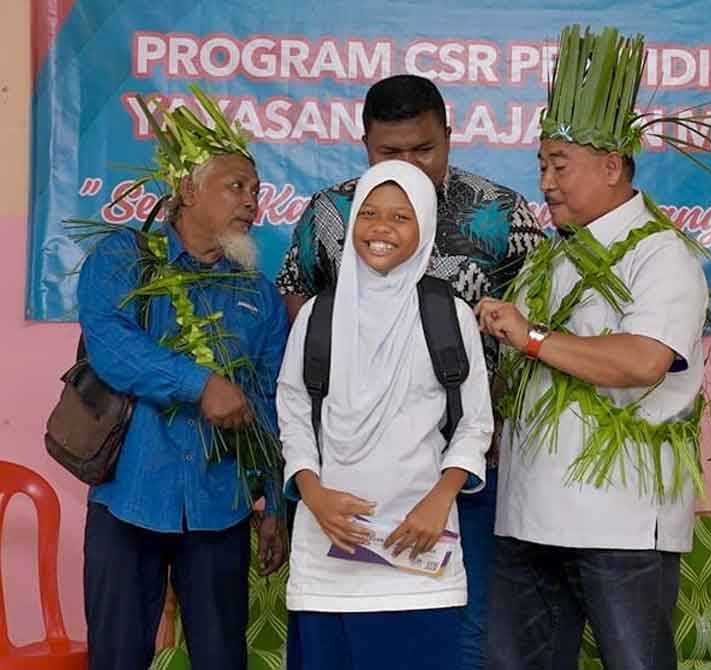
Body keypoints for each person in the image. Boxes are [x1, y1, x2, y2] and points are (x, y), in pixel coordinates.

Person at [275, 73, 545, 669]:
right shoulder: (329, 214)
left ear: (449, 134)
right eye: (389, 153)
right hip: (340, 477)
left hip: (461, 470)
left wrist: (464, 459)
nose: (410, 165)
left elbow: (538, 326)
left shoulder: (501, 214)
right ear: (364, 142)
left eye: (424, 149)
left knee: (460, 631)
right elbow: (299, 331)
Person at [478, 25, 710, 670]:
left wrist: (530, 336)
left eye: (560, 164)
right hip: (527, 512)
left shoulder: (663, 256)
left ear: (612, 167)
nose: (546, 181)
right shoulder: (549, 257)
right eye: (541, 165)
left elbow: (642, 361)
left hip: (620, 525)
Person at [77, 88, 288, 669]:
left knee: (222, 658)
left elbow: (268, 400)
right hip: (128, 498)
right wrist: (200, 384)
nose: (252, 202)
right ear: (188, 189)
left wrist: (274, 502)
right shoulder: (124, 258)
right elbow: (112, 347)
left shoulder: (258, 294)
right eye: (236, 187)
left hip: (221, 506)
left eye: (256, 190)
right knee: (118, 657)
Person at [276, 160, 493, 670]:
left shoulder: (448, 314)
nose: (381, 228)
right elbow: (293, 414)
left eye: (400, 217)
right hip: (328, 560)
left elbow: (474, 421)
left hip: (418, 559)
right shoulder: (318, 316)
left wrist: (441, 498)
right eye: (369, 213)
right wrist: (314, 495)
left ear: (424, 227)